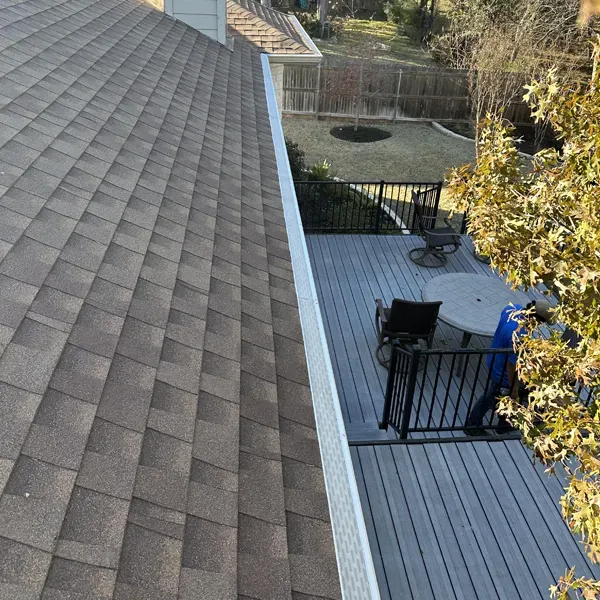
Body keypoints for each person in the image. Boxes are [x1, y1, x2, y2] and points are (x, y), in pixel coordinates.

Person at [465, 299, 552, 435]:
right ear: (536, 319)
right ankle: (472, 425)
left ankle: (504, 423)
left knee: (500, 395)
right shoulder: (519, 335)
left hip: (494, 357)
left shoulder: (512, 309)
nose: (540, 325)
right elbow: (512, 365)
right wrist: (514, 388)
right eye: (542, 322)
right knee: (492, 396)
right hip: (503, 371)